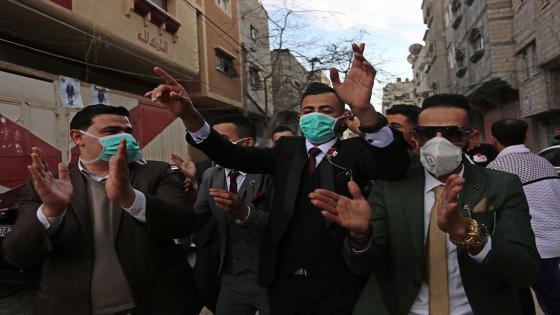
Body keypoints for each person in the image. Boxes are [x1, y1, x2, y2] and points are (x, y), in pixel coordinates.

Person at [146, 42, 410, 314]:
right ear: (299, 117)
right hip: (284, 282)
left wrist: (366, 112)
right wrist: (189, 115)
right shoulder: (287, 150)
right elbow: (231, 155)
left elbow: (394, 165)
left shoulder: (356, 150)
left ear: (343, 116)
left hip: (341, 281)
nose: (315, 116)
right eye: (308, 111)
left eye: (326, 111)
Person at [310, 94, 540, 315]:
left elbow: (525, 270)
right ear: (415, 139)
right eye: (427, 133)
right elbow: (360, 265)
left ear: (472, 138)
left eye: (452, 133)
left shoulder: (502, 185)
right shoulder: (389, 186)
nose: (438, 142)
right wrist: (361, 236)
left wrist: (471, 235)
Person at [2, 105, 200, 315]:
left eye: (128, 131)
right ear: (78, 137)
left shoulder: (156, 172)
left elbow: (184, 224)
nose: (124, 138)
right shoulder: (49, 184)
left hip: (158, 304)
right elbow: (17, 255)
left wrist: (131, 198)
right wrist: (51, 210)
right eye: (112, 132)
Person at [193, 115, 273, 315]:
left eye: (220, 141)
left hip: (269, 277)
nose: (213, 147)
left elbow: (280, 223)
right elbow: (197, 217)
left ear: (247, 143)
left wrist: (245, 213)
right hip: (230, 278)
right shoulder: (212, 175)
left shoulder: (270, 173)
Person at [487, 118, 560, 315]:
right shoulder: (544, 162)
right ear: (526, 137)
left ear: (493, 140)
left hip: (531, 250)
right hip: (554, 247)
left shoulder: (494, 171)